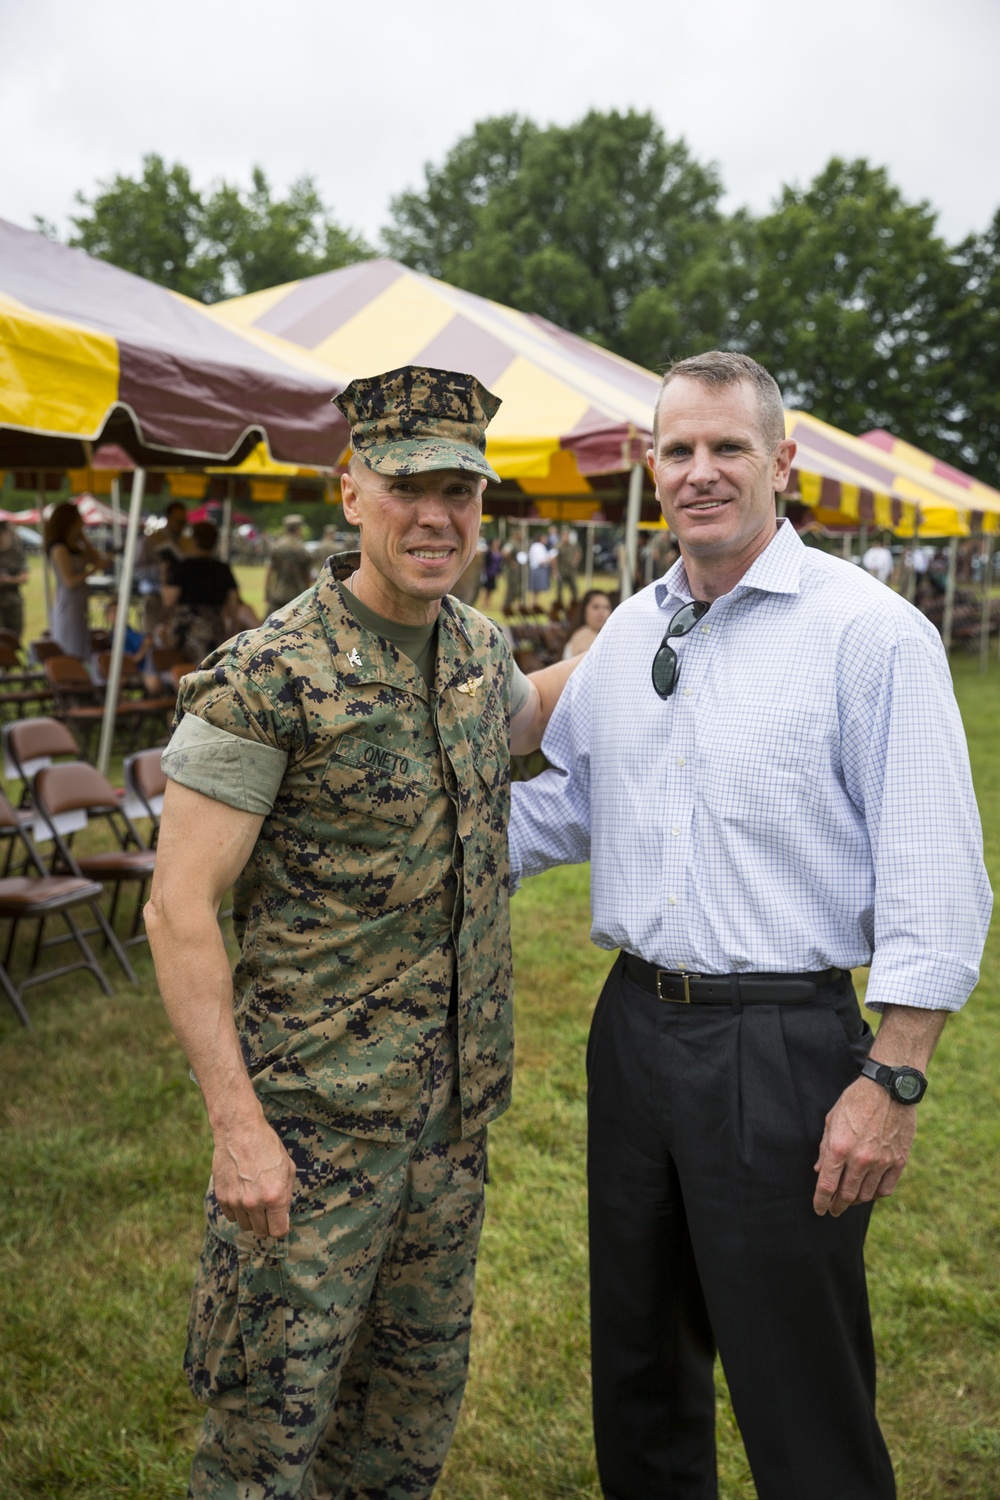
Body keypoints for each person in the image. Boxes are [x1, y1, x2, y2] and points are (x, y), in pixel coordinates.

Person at [509, 350, 991, 1500]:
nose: (701, 471)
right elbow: (576, 803)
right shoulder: (633, 630)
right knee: (636, 1366)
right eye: (678, 449)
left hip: (782, 1047)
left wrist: (894, 1077)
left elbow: (936, 875)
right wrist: (418, 840)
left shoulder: (869, 636)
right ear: (650, 468)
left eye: (728, 447)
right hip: (633, 1032)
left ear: (782, 464)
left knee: (796, 1382)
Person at [146, 363, 578, 1500]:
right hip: (310, 1140)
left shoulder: (480, 657)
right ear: (349, 492)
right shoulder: (266, 676)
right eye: (405, 486)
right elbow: (175, 907)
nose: (435, 514)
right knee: (266, 1448)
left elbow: (554, 701)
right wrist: (238, 1130)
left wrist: (688, 603)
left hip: (448, 1133)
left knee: (404, 1434)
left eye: (461, 490)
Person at [161, 520, 239, 666]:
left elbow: (168, 601)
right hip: (215, 629)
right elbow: (233, 605)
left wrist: (164, 576)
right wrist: (231, 632)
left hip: (186, 631)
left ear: (194, 540)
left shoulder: (182, 567)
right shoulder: (222, 569)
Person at [43, 501, 109, 658]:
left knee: (82, 642)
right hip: (69, 604)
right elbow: (69, 581)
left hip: (80, 602)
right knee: (72, 646)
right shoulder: (59, 548)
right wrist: (93, 570)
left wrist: (83, 539)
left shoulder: (75, 545)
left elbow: (97, 559)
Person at [264, 514, 314, 613]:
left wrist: (267, 591)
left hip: (279, 594)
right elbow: (307, 576)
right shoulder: (303, 550)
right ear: (298, 529)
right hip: (298, 596)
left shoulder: (276, 547)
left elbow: (270, 572)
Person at [0, 520, 29, 641]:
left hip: (13, 600)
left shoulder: (16, 552)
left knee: (14, 637)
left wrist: (8, 580)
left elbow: (24, 577)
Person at [562, 588, 612, 658]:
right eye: (595, 607)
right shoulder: (585, 636)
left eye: (606, 607)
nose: (601, 612)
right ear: (584, 610)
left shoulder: (594, 634)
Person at [527, 532, 556, 611]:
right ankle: (534, 605)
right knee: (536, 589)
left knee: (535, 590)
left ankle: (535, 604)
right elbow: (541, 560)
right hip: (538, 569)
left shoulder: (535, 546)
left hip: (536, 569)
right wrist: (551, 558)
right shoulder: (539, 547)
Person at [555, 526, 579, 607]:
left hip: (571, 570)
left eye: (567, 535)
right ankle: (559, 604)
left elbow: (578, 553)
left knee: (574, 588)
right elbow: (554, 559)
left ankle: (574, 603)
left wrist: (575, 561)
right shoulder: (558, 546)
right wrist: (555, 571)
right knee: (559, 588)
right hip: (561, 570)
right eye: (564, 535)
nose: (566, 536)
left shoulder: (573, 545)